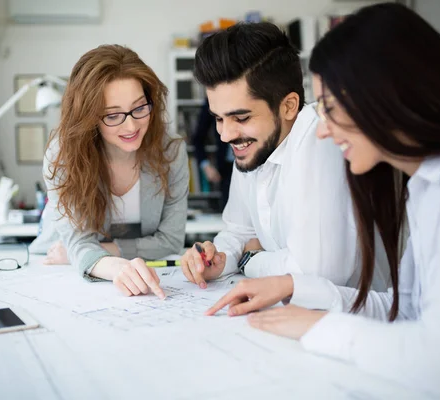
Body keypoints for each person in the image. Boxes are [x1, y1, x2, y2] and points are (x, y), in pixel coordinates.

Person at [207, 4, 440, 398]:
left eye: (331, 108)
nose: (323, 130)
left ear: (385, 95)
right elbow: (404, 311)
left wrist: (319, 326)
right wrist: (294, 289)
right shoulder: (427, 184)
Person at [180, 22, 389, 292]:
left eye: (241, 117)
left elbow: (316, 271)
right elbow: (239, 232)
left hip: (357, 319)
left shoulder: (318, 135)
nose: (225, 134)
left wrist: (250, 259)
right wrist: (216, 257)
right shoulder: (250, 146)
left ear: (288, 106)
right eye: (218, 119)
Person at [30, 45, 189, 299]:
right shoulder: (62, 156)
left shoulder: (171, 152)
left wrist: (105, 250)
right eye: (113, 115)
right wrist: (111, 263)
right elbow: (77, 243)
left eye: (139, 108)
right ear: (88, 117)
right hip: (59, 268)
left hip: (127, 268)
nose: (132, 125)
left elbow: (170, 241)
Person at [191, 98, 234, 211]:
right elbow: (198, 139)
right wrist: (206, 165)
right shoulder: (213, 99)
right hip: (227, 170)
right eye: (219, 119)